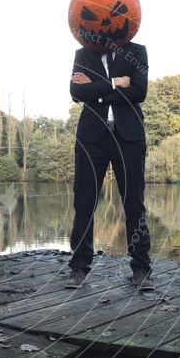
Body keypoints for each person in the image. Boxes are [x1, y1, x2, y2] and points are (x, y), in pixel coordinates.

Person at [65, 38, 153, 290]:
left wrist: (98, 91)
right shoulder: (82, 54)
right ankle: (79, 267)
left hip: (129, 137)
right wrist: (115, 83)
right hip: (92, 138)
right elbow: (77, 93)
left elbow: (139, 92)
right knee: (84, 202)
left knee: (134, 204)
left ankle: (141, 269)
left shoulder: (137, 51)